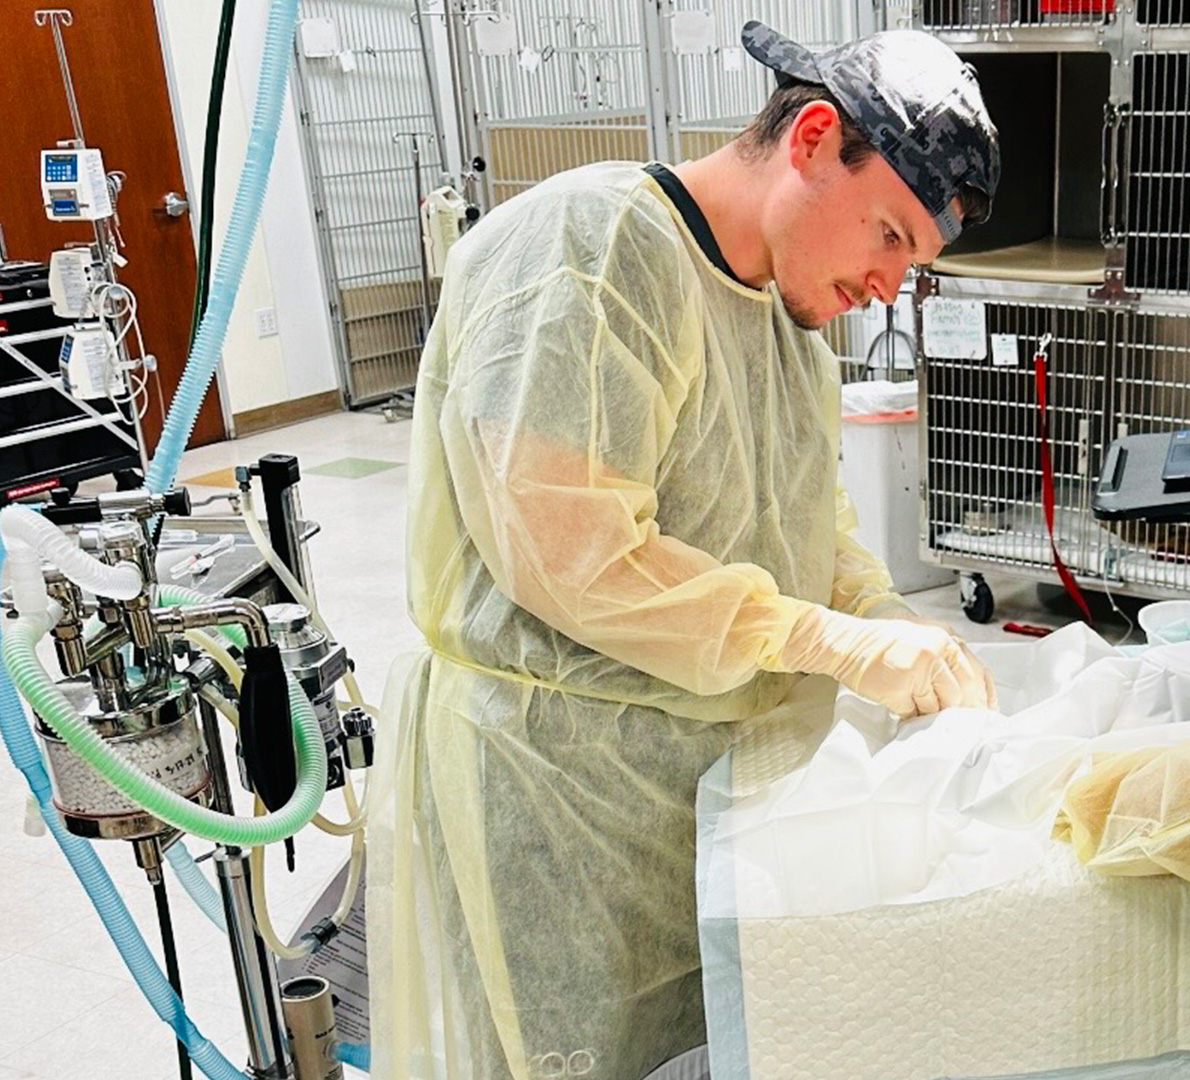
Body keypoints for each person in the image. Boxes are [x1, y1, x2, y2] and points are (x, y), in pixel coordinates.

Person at [367, 22, 1000, 1080]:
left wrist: (879, 615)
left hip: (698, 799)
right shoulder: (594, 254)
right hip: (562, 797)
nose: (889, 284)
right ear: (810, 138)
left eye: (914, 263)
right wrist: (815, 638)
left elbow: (807, 524)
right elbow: (569, 551)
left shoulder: (790, 326)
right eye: (888, 235)